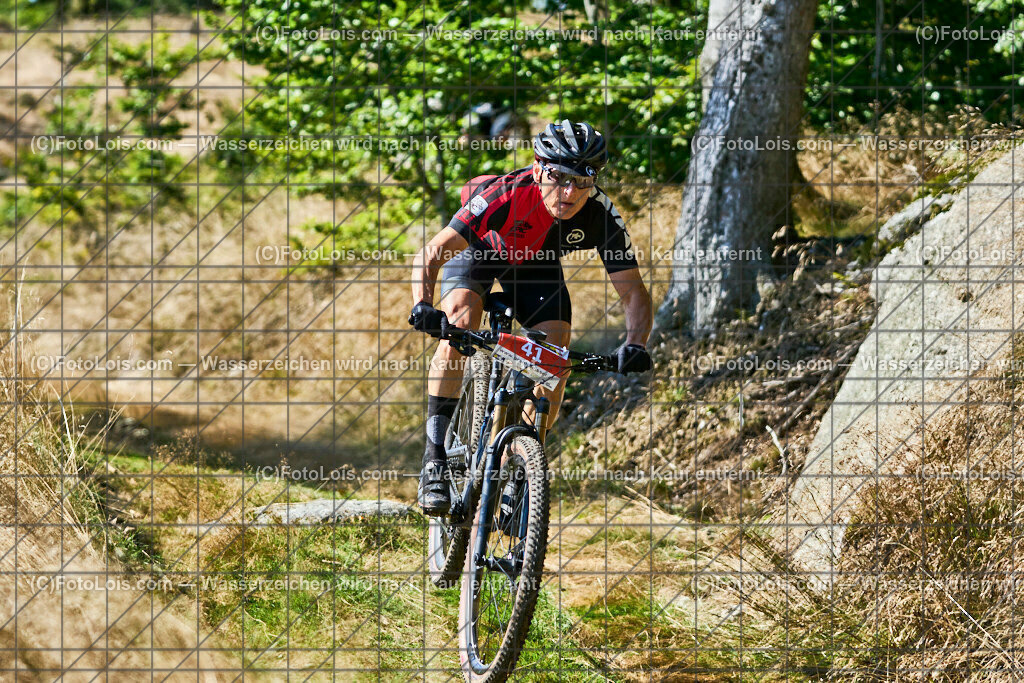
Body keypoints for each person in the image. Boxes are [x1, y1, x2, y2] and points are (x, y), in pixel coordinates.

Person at [409, 119, 653, 516]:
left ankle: (517, 470)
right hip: (482, 254)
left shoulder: (600, 214)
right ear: (539, 168)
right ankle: (435, 457)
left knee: (556, 359)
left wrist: (636, 343)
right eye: (559, 177)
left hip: (536, 267)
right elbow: (433, 252)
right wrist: (423, 304)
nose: (570, 192)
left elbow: (633, 291)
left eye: (583, 181)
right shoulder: (504, 195)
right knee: (458, 322)